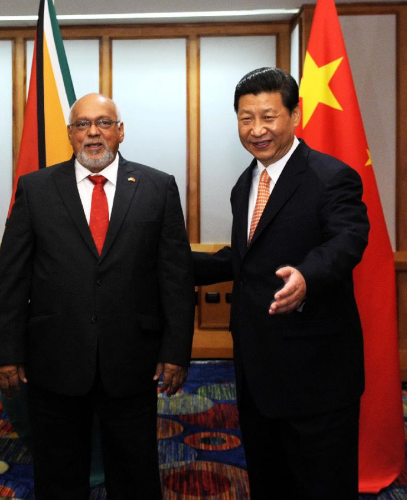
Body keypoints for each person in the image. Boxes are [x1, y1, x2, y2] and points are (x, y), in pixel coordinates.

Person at [0, 93, 195, 500]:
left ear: (120, 131)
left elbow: (174, 277)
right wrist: (6, 352)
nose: (93, 132)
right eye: (83, 124)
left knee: (135, 471)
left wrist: (176, 352)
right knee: (57, 472)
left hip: (132, 359)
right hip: (55, 358)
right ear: (70, 134)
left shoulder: (158, 187)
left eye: (103, 122)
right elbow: (11, 277)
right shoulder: (35, 189)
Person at [193, 67, 369, 499]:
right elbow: (247, 258)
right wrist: (166, 263)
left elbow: (347, 240)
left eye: (268, 117)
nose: (257, 130)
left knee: (322, 486)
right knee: (270, 482)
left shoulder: (332, 176)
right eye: (245, 118)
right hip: (258, 371)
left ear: (295, 114)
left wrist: (308, 275)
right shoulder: (245, 184)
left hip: (317, 373)